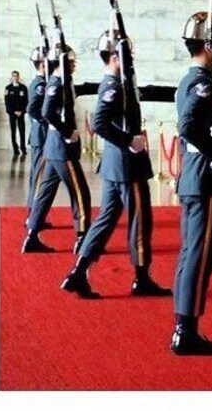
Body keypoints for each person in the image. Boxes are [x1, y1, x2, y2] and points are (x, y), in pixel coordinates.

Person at [60, 31, 171, 299]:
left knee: (106, 220)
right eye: (126, 55)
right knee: (140, 221)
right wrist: (129, 141)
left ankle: (78, 273)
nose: (131, 59)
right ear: (114, 57)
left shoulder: (119, 82)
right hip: (126, 165)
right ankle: (141, 278)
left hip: (115, 166)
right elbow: (100, 123)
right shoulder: (113, 86)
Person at [170, 12, 212, 355]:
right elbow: (190, 127)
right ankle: (186, 332)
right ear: (211, 47)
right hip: (206, 176)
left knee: (191, 252)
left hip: (194, 175)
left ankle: (184, 326)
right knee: (199, 253)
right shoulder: (204, 82)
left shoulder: (189, 79)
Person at [22, 44, 91, 253]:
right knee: (81, 194)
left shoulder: (61, 81)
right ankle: (83, 238)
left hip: (54, 148)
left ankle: (32, 235)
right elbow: (45, 111)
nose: (74, 64)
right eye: (71, 61)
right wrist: (67, 132)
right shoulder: (55, 83)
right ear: (62, 63)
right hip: (62, 148)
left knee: (45, 193)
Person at [24, 48, 52, 228]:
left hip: (40, 136)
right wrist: (48, 121)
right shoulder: (40, 84)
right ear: (43, 64)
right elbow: (32, 110)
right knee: (40, 178)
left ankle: (35, 216)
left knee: (39, 176)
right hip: (41, 137)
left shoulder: (40, 82)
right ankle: (33, 218)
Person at [4, 70, 28, 158]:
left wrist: (22, 111)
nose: (15, 77)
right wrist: (13, 112)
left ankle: (23, 148)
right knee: (13, 131)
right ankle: (15, 149)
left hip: (21, 113)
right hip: (12, 114)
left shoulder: (23, 88)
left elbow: (26, 101)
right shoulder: (8, 88)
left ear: (19, 77)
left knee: (22, 131)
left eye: (16, 76)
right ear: (12, 77)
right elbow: (7, 102)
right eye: (13, 76)